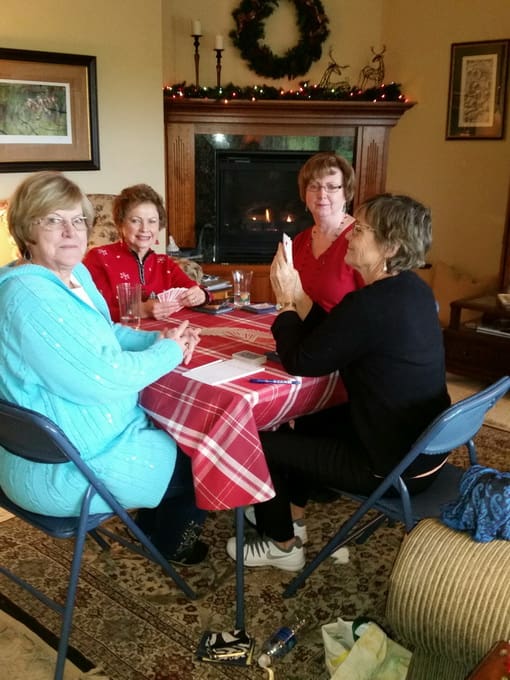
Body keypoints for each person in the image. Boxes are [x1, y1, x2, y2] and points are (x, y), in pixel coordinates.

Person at [227, 193, 451, 571]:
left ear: (391, 247)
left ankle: (282, 545)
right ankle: (292, 514)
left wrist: (285, 303)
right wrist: (299, 296)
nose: (349, 234)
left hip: (390, 467)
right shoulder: (413, 291)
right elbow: (336, 334)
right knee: (305, 419)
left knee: (256, 441)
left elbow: (301, 361)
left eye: (360, 230)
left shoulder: (368, 305)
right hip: (425, 452)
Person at [0, 171, 208, 565]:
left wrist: (158, 340)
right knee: (204, 456)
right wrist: (168, 353)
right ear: (27, 229)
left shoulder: (72, 276)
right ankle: (170, 544)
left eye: (78, 220)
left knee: (180, 428)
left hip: (73, 444)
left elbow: (105, 332)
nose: (70, 231)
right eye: (53, 220)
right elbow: (105, 377)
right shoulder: (30, 297)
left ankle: (150, 526)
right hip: (64, 468)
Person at [83, 183, 209, 322]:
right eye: (135, 221)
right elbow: (92, 311)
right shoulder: (98, 258)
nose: (145, 229)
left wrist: (201, 295)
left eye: (152, 221)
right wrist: (141, 311)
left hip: (163, 331)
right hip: (117, 333)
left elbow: (197, 289)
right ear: (121, 224)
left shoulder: (164, 263)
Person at [291, 152, 364, 311]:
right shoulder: (299, 241)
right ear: (305, 193)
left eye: (331, 187)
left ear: (346, 193)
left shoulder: (361, 239)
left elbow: (372, 305)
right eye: (314, 186)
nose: (321, 194)